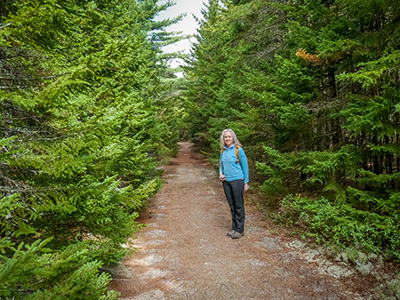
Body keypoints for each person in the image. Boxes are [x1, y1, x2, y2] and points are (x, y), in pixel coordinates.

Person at [219, 129, 249, 239]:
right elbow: (221, 165)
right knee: (231, 206)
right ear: (223, 139)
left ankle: (240, 230)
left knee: (238, 206)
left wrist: (246, 182)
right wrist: (221, 174)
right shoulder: (223, 150)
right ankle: (234, 228)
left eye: (229, 137)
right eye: (225, 137)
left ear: (233, 138)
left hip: (237, 181)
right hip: (226, 181)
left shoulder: (238, 150)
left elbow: (245, 166)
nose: (227, 139)